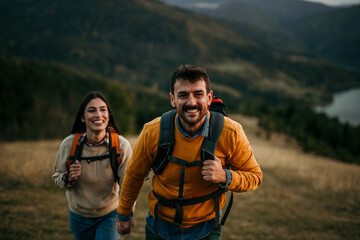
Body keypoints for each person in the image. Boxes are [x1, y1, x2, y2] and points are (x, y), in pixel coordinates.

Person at [116, 65, 262, 239]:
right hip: (159, 227)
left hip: (206, 230)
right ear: (172, 99)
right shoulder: (153, 131)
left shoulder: (231, 132)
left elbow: (255, 177)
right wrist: (124, 214)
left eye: (198, 94)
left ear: (209, 98)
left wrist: (225, 176)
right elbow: (134, 174)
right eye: (183, 95)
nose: (191, 102)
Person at [53, 91, 132, 240]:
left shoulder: (121, 146)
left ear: (108, 115)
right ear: (82, 118)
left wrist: (126, 214)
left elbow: (128, 185)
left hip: (110, 214)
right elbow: (57, 175)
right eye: (91, 110)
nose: (98, 115)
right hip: (78, 216)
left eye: (103, 110)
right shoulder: (69, 145)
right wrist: (68, 177)